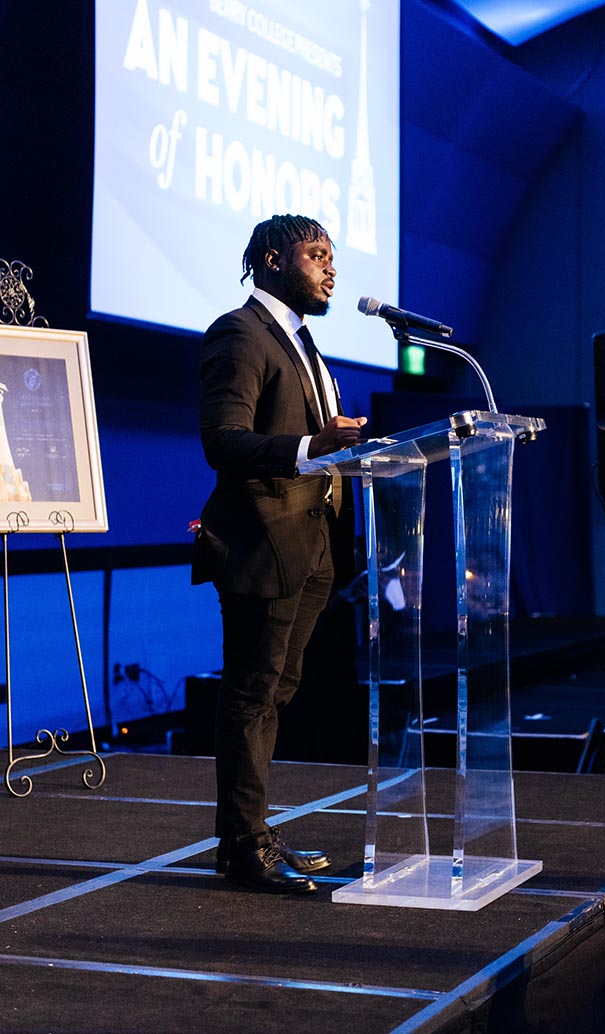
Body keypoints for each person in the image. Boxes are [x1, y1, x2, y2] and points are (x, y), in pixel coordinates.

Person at [192, 214, 367, 894]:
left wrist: (339, 448)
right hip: (262, 542)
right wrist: (310, 447)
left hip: (311, 544)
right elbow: (222, 439)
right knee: (251, 693)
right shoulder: (240, 333)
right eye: (316, 255)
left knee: (274, 693)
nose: (330, 269)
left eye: (332, 256)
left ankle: (254, 833)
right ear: (272, 260)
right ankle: (242, 847)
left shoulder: (301, 341)